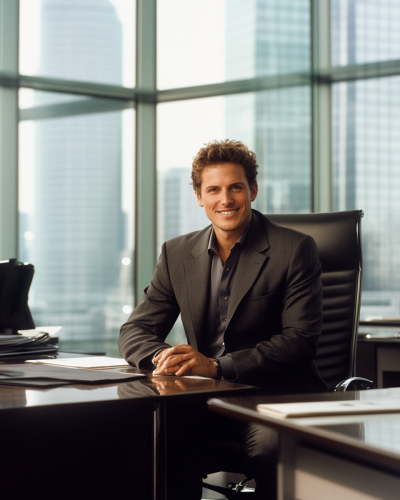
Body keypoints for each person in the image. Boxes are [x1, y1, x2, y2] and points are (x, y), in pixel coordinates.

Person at [119, 139, 326, 499]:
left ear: (253, 190)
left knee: (267, 449)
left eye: (235, 188)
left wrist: (216, 366)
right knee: (148, 440)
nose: (225, 200)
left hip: (273, 397)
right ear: (200, 197)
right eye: (213, 190)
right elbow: (136, 328)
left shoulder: (293, 249)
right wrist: (164, 358)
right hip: (202, 400)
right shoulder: (177, 253)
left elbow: (299, 340)